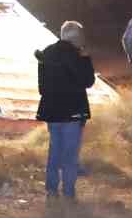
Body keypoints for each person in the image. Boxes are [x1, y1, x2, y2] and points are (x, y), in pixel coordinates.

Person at [36, 20, 96, 199]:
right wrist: (86, 58)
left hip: (52, 112)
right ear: (76, 38)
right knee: (70, 153)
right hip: (72, 112)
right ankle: (69, 191)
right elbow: (88, 81)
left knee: (55, 150)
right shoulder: (76, 56)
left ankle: (51, 189)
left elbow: (42, 88)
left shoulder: (46, 53)